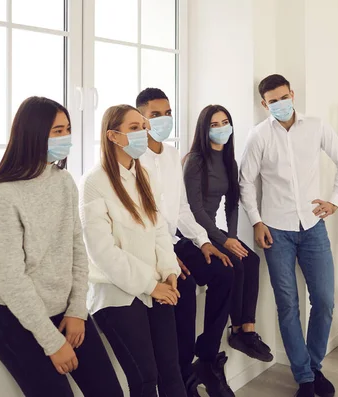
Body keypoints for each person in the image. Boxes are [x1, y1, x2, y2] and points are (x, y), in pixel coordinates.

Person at [0, 97, 123, 397]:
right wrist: (52, 341)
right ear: (33, 134)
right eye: (57, 131)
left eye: (67, 129)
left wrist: (76, 311)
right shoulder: (2, 196)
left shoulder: (64, 182)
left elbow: (77, 249)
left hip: (63, 309)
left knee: (110, 391)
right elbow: (11, 279)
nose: (66, 138)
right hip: (13, 319)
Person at [239, 74, 338, 397]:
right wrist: (257, 221)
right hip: (276, 231)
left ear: (293, 94)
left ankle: (313, 368)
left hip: (313, 226)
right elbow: (246, 181)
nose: (279, 104)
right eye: (272, 101)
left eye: (283, 97)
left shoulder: (316, 126)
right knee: (287, 305)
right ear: (264, 104)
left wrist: (335, 201)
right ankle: (304, 377)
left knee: (325, 301)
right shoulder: (258, 136)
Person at [79, 104, 187, 397]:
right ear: (113, 136)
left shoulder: (144, 176)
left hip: (156, 285)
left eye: (143, 126)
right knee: (145, 378)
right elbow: (102, 252)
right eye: (135, 128)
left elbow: (158, 230)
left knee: (171, 370)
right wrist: (151, 285)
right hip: (115, 293)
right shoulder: (93, 183)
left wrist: (169, 271)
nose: (144, 132)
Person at [136, 88, 236, 397]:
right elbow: (142, 217)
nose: (164, 120)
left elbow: (180, 209)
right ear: (140, 118)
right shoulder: (134, 159)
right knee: (186, 289)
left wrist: (204, 241)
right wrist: (165, 256)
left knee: (224, 269)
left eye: (168, 114)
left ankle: (206, 357)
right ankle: (183, 378)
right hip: (151, 248)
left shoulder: (169, 155)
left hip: (176, 240)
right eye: (156, 115)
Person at [183, 104, 274, 365]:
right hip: (193, 232)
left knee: (251, 260)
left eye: (225, 122)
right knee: (234, 265)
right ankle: (235, 332)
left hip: (215, 231)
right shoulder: (195, 161)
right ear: (204, 129)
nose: (221, 128)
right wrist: (224, 241)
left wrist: (231, 237)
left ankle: (247, 329)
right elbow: (194, 209)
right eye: (214, 124)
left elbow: (232, 203)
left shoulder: (229, 161)